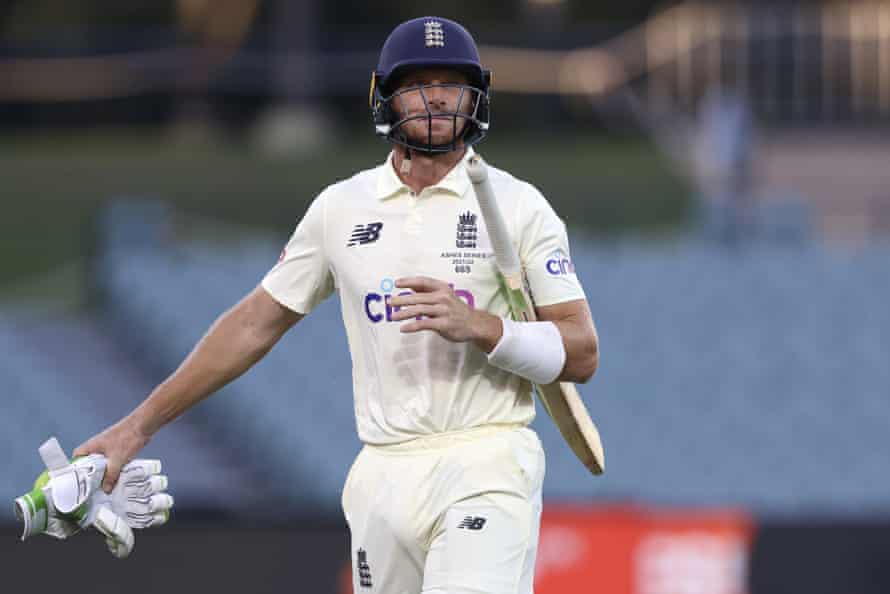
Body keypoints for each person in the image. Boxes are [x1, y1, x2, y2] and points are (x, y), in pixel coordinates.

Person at [76, 16, 599, 594]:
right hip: (382, 469)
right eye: (417, 82)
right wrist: (137, 428)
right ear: (386, 98)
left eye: (451, 82)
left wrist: (476, 324)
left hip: (487, 456)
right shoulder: (341, 208)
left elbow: (580, 352)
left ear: (476, 96)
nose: (436, 98)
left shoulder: (520, 206)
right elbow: (254, 324)